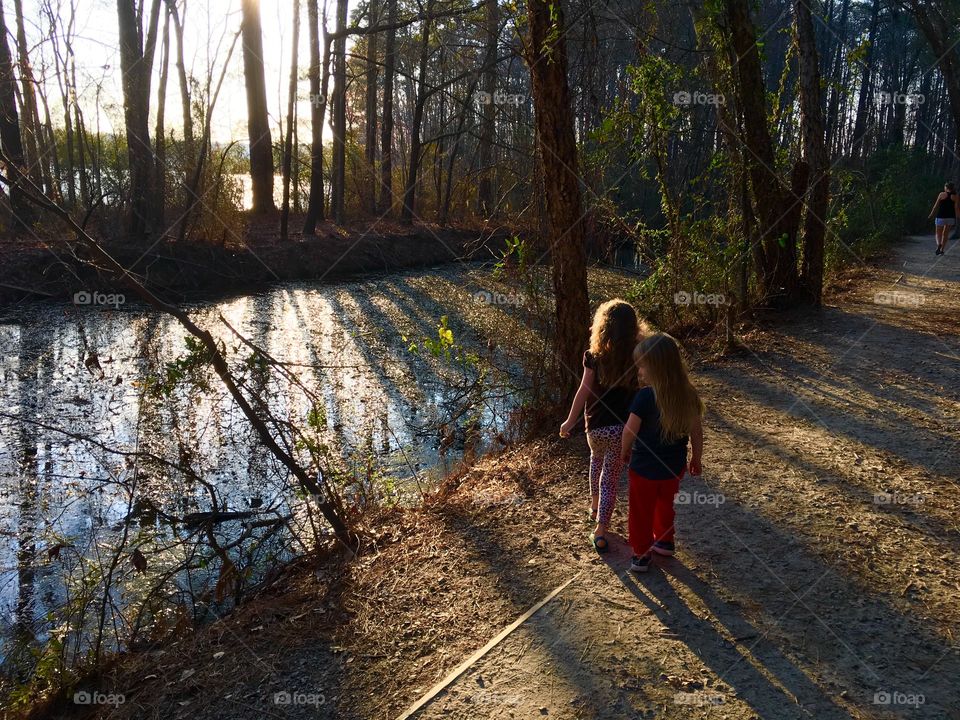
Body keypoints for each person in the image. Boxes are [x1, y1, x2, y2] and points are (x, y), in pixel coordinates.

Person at [560, 299, 648, 553]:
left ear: (601, 327)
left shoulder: (593, 357)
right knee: (609, 479)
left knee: (595, 462)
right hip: (623, 430)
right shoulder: (637, 355)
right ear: (634, 328)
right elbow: (644, 391)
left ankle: (595, 507)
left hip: (594, 429)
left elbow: (583, 390)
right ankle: (601, 529)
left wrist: (569, 421)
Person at [620, 333, 704, 573]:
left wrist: (624, 452)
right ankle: (665, 542)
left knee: (640, 511)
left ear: (655, 367)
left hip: (644, 470)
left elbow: (629, 431)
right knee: (665, 504)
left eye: (642, 367)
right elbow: (696, 433)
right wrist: (695, 458)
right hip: (672, 469)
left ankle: (641, 553)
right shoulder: (688, 395)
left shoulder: (645, 397)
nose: (639, 372)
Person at [928, 181, 960, 255]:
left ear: (946, 187)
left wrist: (931, 214)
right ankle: (942, 249)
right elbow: (956, 208)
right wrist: (958, 217)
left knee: (937, 233)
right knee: (945, 234)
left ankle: (939, 244)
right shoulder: (956, 196)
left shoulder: (942, 194)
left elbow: (935, 206)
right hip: (950, 218)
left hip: (940, 217)